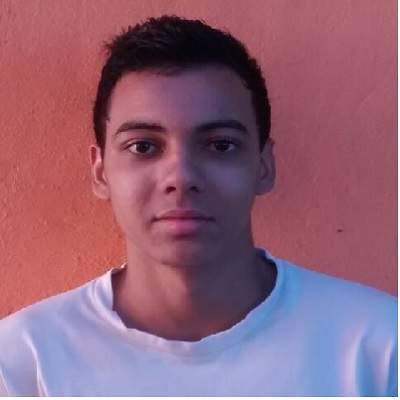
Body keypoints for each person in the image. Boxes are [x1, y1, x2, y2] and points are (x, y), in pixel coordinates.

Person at [0, 15, 397, 397]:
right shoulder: (25, 362)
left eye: (220, 145)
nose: (181, 176)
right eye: (143, 146)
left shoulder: (380, 346)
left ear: (264, 165)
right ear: (101, 171)